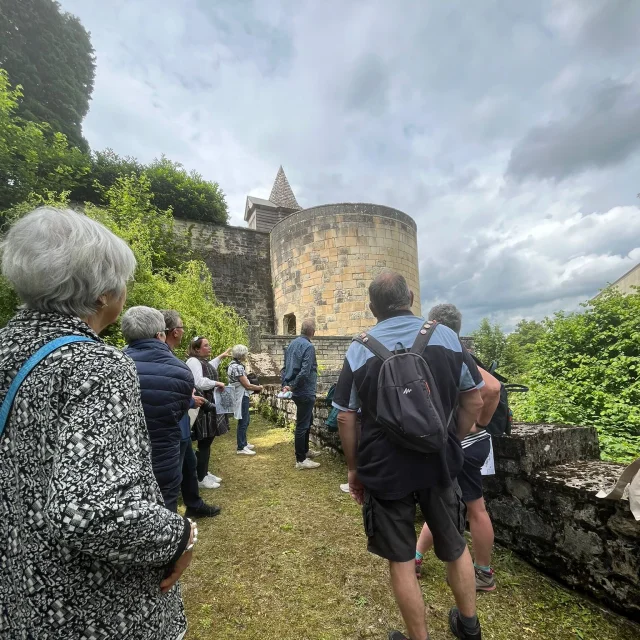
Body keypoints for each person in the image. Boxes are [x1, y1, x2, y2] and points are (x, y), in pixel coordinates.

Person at [0, 207, 195, 639]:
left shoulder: (7, 350)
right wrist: (181, 534)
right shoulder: (95, 364)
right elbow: (90, 511)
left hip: (20, 593)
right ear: (103, 293)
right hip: (93, 607)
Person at [333, 271, 485, 640]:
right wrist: (449, 439)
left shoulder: (359, 348)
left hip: (385, 470)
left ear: (372, 308)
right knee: (454, 547)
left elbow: (345, 415)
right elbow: (475, 399)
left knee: (401, 560)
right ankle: (468, 627)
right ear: (411, 296)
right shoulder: (446, 336)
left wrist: (354, 470)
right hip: (439, 464)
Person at [415, 304, 501, 592]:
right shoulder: (450, 350)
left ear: (436, 324)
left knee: (476, 509)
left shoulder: (456, 352)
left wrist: (477, 424)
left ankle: (483, 573)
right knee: (443, 501)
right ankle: (417, 556)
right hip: (463, 441)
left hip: (466, 441)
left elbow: (491, 388)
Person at [162, 310, 221, 519]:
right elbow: (167, 391)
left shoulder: (169, 356)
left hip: (182, 423)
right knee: (173, 474)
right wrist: (190, 399)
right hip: (174, 423)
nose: (209, 348)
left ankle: (194, 502)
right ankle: (169, 520)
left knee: (189, 464)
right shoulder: (167, 358)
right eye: (181, 327)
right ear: (175, 331)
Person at [186, 337, 231, 484]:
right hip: (202, 405)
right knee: (204, 441)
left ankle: (204, 472)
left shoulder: (201, 361)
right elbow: (198, 381)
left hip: (208, 403)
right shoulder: (193, 361)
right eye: (206, 345)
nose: (209, 347)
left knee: (208, 439)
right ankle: (200, 477)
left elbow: (208, 367)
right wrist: (217, 383)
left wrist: (220, 357)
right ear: (197, 349)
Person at [282, 318, 322, 470]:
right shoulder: (308, 347)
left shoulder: (292, 344)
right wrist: (291, 386)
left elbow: (284, 367)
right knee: (302, 424)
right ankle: (301, 460)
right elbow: (305, 371)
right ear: (312, 331)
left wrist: (286, 384)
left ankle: (305, 451)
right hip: (304, 390)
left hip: (297, 390)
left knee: (307, 420)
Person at [228, 344, 263, 455]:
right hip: (241, 395)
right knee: (243, 420)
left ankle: (244, 442)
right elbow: (247, 385)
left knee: (245, 419)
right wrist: (259, 387)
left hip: (240, 394)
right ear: (242, 354)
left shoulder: (232, 364)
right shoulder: (237, 367)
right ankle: (241, 447)